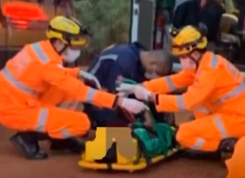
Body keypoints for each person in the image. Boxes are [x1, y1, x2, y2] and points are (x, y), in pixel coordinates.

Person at [0, 16, 147, 160]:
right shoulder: (47, 63)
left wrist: (77, 72)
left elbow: (50, 74)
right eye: (74, 46)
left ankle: (59, 140)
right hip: (15, 110)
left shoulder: (42, 49)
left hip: (16, 100)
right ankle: (27, 136)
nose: (76, 50)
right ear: (58, 41)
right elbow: (80, 92)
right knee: (82, 123)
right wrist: (121, 102)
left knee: (68, 90)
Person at [117, 25, 245, 153]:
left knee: (183, 135)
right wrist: (139, 87)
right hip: (237, 114)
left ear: (195, 53)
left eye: (183, 56)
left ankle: (222, 145)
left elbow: (187, 102)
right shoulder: (203, 64)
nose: (181, 60)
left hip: (241, 120)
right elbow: (172, 82)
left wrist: (151, 97)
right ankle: (219, 139)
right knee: (199, 108)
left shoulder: (209, 71)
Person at [83, 43, 173, 127]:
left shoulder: (140, 55)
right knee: (129, 133)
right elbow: (117, 95)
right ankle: (101, 134)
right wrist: (143, 117)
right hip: (97, 95)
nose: (157, 78)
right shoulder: (124, 64)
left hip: (112, 88)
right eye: (160, 74)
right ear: (153, 65)